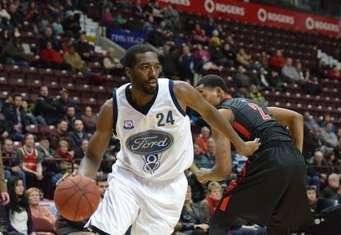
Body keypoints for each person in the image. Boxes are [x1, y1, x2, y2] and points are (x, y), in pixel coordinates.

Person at [64, 44, 259, 234]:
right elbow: (92, 156)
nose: (153, 73)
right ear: (129, 72)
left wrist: (240, 144)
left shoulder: (178, 91)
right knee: (100, 231)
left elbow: (212, 114)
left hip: (170, 185)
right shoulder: (112, 107)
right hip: (129, 178)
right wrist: (81, 179)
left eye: (156, 67)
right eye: (145, 67)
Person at [194, 74, 312, 235]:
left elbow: (224, 171)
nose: (198, 101)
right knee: (279, 224)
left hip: (270, 159)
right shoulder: (255, 105)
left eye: (202, 94)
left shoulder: (221, 114)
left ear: (218, 92)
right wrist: (296, 153)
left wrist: (207, 174)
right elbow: (296, 117)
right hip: (295, 161)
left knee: (221, 217)